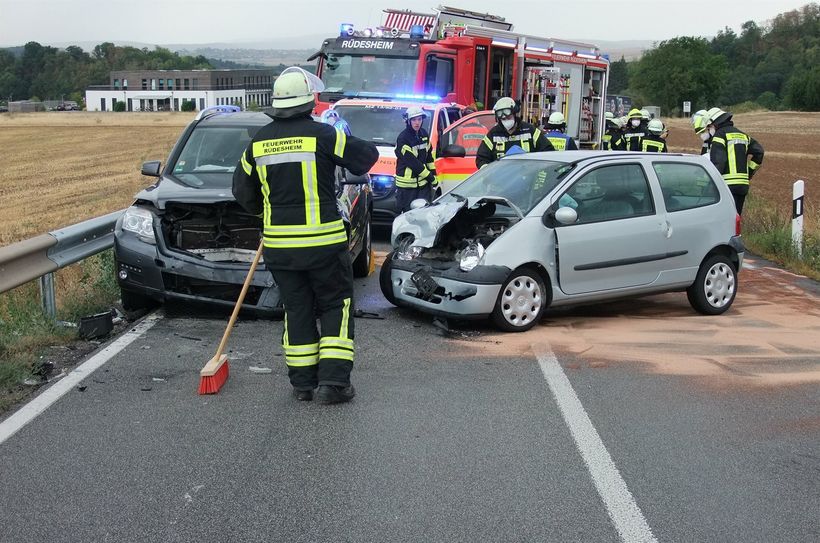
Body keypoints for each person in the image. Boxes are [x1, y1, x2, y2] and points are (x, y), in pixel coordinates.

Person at [232, 66, 378, 404]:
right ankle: (334, 384)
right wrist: (341, 136)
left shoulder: (258, 143)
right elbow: (366, 158)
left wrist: (267, 215)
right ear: (310, 101)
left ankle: (302, 384)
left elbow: (242, 191)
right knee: (335, 305)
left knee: (296, 308)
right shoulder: (323, 135)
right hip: (323, 244)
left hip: (281, 248)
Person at [706, 108, 764, 214]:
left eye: (709, 127)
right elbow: (759, 152)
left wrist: (710, 183)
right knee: (736, 219)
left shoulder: (719, 136)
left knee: (725, 220)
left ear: (715, 124)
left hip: (726, 185)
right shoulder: (743, 135)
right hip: (742, 185)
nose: (709, 130)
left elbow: (719, 162)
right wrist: (749, 172)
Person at [476, 97, 554, 168]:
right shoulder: (493, 134)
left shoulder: (529, 130)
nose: (505, 119)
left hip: (527, 177)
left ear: (514, 113)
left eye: (508, 117)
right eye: (503, 119)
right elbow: (481, 158)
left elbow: (548, 150)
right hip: (502, 179)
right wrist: (487, 170)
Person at [394, 106, 437, 213]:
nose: (417, 122)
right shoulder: (403, 138)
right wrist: (431, 178)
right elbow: (414, 163)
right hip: (407, 187)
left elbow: (429, 158)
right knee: (407, 217)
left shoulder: (424, 134)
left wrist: (434, 174)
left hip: (423, 186)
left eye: (419, 119)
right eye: (414, 120)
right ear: (408, 121)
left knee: (423, 215)